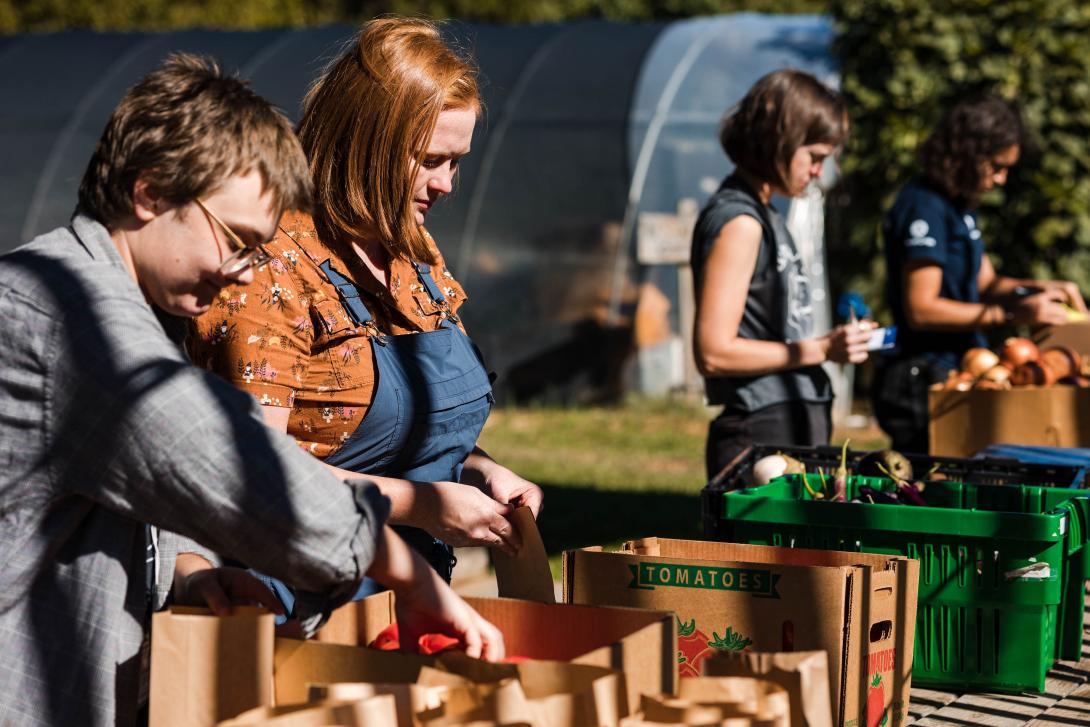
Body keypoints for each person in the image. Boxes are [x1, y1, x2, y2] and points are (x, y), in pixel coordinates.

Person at [0, 53, 502, 727]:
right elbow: (251, 475)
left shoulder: (111, 300)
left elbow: (117, 493)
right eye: (235, 240)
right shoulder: (76, 322)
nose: (241, 275)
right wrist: (409, 577)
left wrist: (187, 570)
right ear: (150, 193)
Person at [188, 17, 543, 608]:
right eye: (430, 160)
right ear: (366, 144)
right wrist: (425, 505)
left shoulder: (412, 251)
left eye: (457, 163)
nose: (447, 184)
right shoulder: (270, 268)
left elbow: (408, 431)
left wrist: (481, 471)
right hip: (286, 596)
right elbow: (259, 474)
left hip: (405, 593)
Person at [873, 94, 1087, 453]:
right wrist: (1010, 315)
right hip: (922, 377)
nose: (1002, 179)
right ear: (968, 155)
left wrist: (1040, 289)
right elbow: (921, 308)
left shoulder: (962, 206)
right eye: (997, 166)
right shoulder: (923, 206)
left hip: (963, 366)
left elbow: (986, 283)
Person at [691, 69, 873, 482]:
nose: (818, 172)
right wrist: (822, 349)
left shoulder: (764, 212)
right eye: (814, 157)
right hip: (758, 434)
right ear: (779, 142)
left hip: (782, 427)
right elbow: (714, 352)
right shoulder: (741, 222)